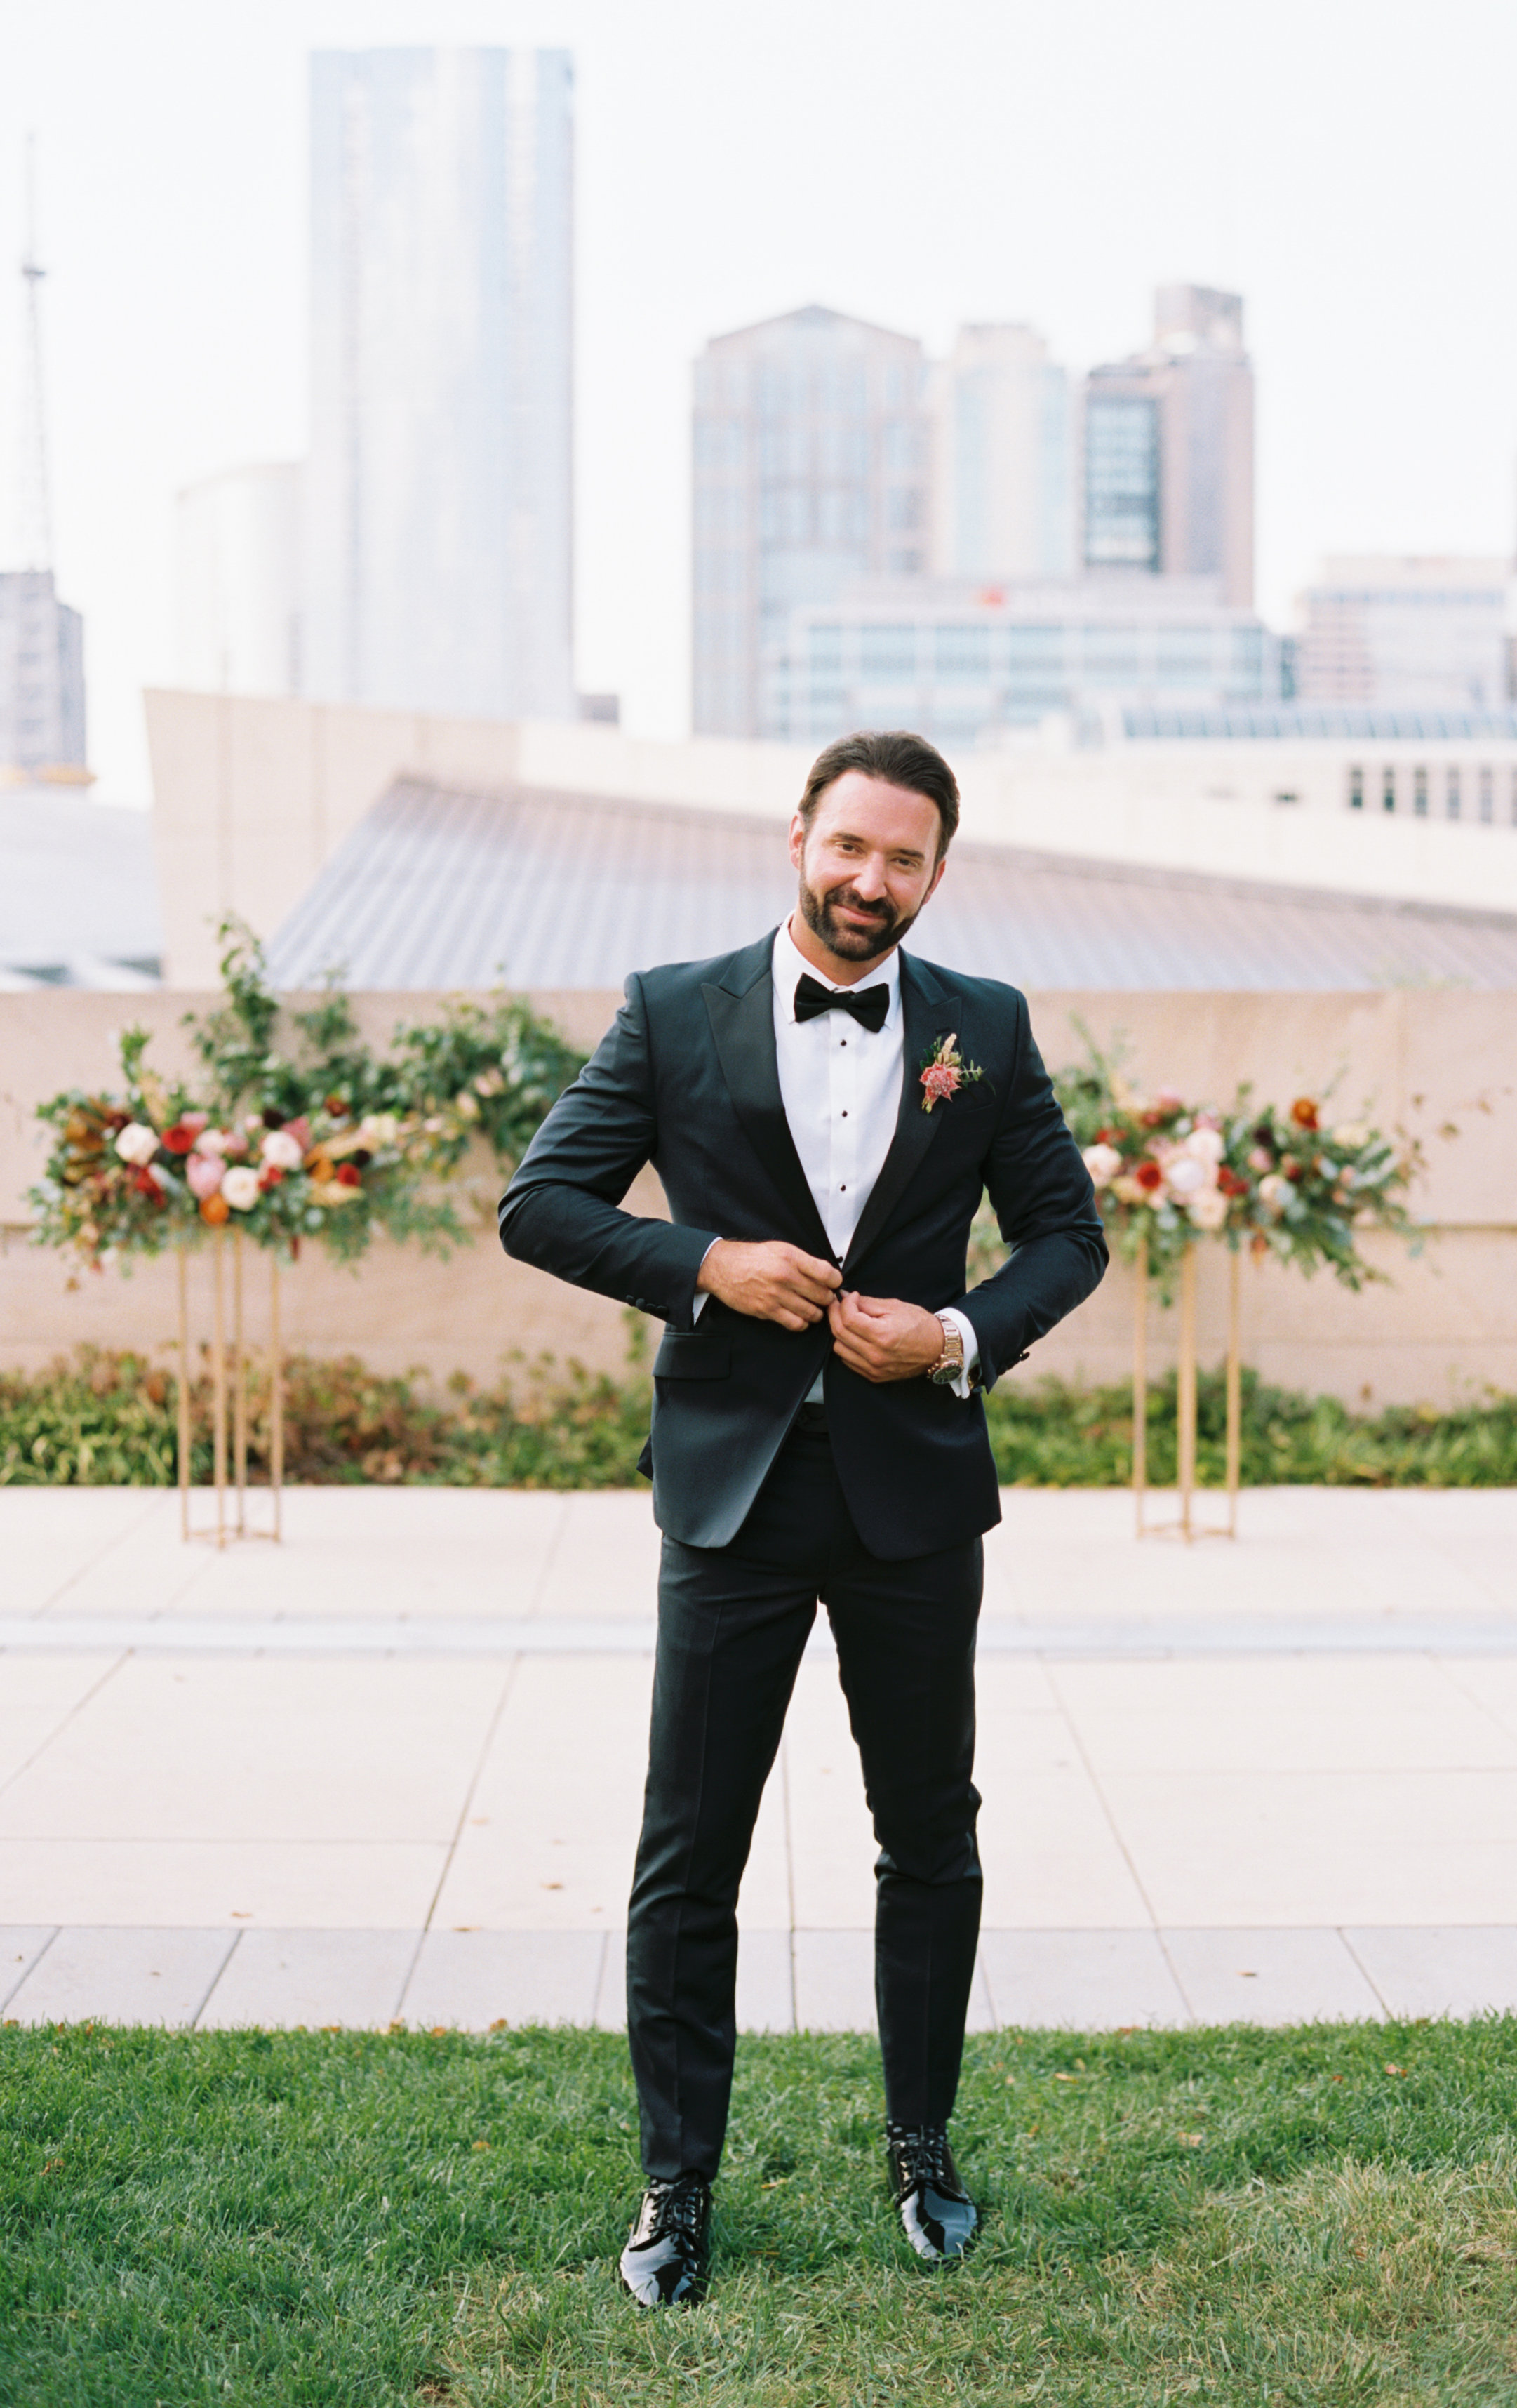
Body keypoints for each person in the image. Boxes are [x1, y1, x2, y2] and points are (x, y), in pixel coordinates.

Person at [497, 729, 1107, 2303]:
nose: (868, 881)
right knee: (687, 1854)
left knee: (927, 1836)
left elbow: (1063, 1236)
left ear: (935, 874)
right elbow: (540, 1205)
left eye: (902, 859)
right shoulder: (668, 1011)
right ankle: (673, 2188)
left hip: (913, 1494)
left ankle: (919, 2144)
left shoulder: (982, 1026)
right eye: (849, 847)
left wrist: (955, 1335)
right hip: (732, 1497)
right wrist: (705, 1263)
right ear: (797, 838)